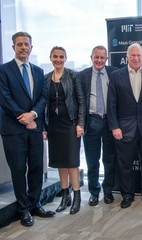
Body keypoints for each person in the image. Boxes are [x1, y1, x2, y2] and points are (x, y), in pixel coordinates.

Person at [0, 31, 55, 227]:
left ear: (31, 47)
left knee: (36, 167)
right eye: (19, 44)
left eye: (26, 44)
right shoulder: (3, 71)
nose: (23, 47)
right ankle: (23, 210)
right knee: (19, 170)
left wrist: (33, 115)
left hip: (34, 126)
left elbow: (43, 97)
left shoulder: (38, 71)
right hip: (13, 129)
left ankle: (35, 203)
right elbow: (4, 98)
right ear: (13, 48)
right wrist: (24, 117)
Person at [107, 43, 142, 208]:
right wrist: (114, 126)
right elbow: (111, 103)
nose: (136, 58)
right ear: (127, 57)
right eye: (133, 55)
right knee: (125, 164)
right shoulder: (116, 76)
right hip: (123, 128)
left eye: (138, 55)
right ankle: (127, 195)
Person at [43, 46, 85, 215]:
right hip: (53, 125)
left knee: (71, 161)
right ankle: (65, 196)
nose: (58, 59)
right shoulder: (45, 79)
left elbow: (81, 101)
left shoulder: (73, 75)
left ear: (65, 58)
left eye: (61, 56)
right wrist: (44, 128)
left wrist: (80, 123)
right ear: (51, 58)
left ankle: (76, 197)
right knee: (60, 161)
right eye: (55, 56)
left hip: (70, 124)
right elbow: (43, 105)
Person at [80, 46, 117, 206]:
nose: (99, 60)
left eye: (102, 58)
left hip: (110, 121)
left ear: (106, 59)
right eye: (97, 57)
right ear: (91, 57)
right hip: (92, 121)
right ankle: (94, 192)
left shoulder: (114, 73)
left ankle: (107, 190)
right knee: (92, 159)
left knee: (109, 159)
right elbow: (79, 101)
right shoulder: (82, 76)